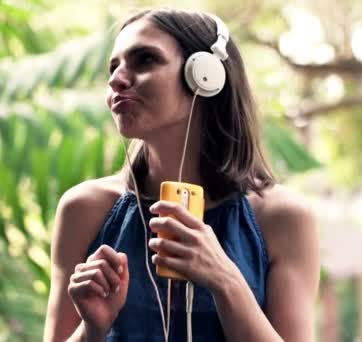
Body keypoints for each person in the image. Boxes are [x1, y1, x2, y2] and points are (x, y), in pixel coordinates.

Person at [42, 7, 320, 342]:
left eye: (144, 60)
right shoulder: (84, 209)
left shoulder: (282, 218)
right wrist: (93, 328)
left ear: (205, 76)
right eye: (113, 67)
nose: (117, 78)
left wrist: (225, 280)